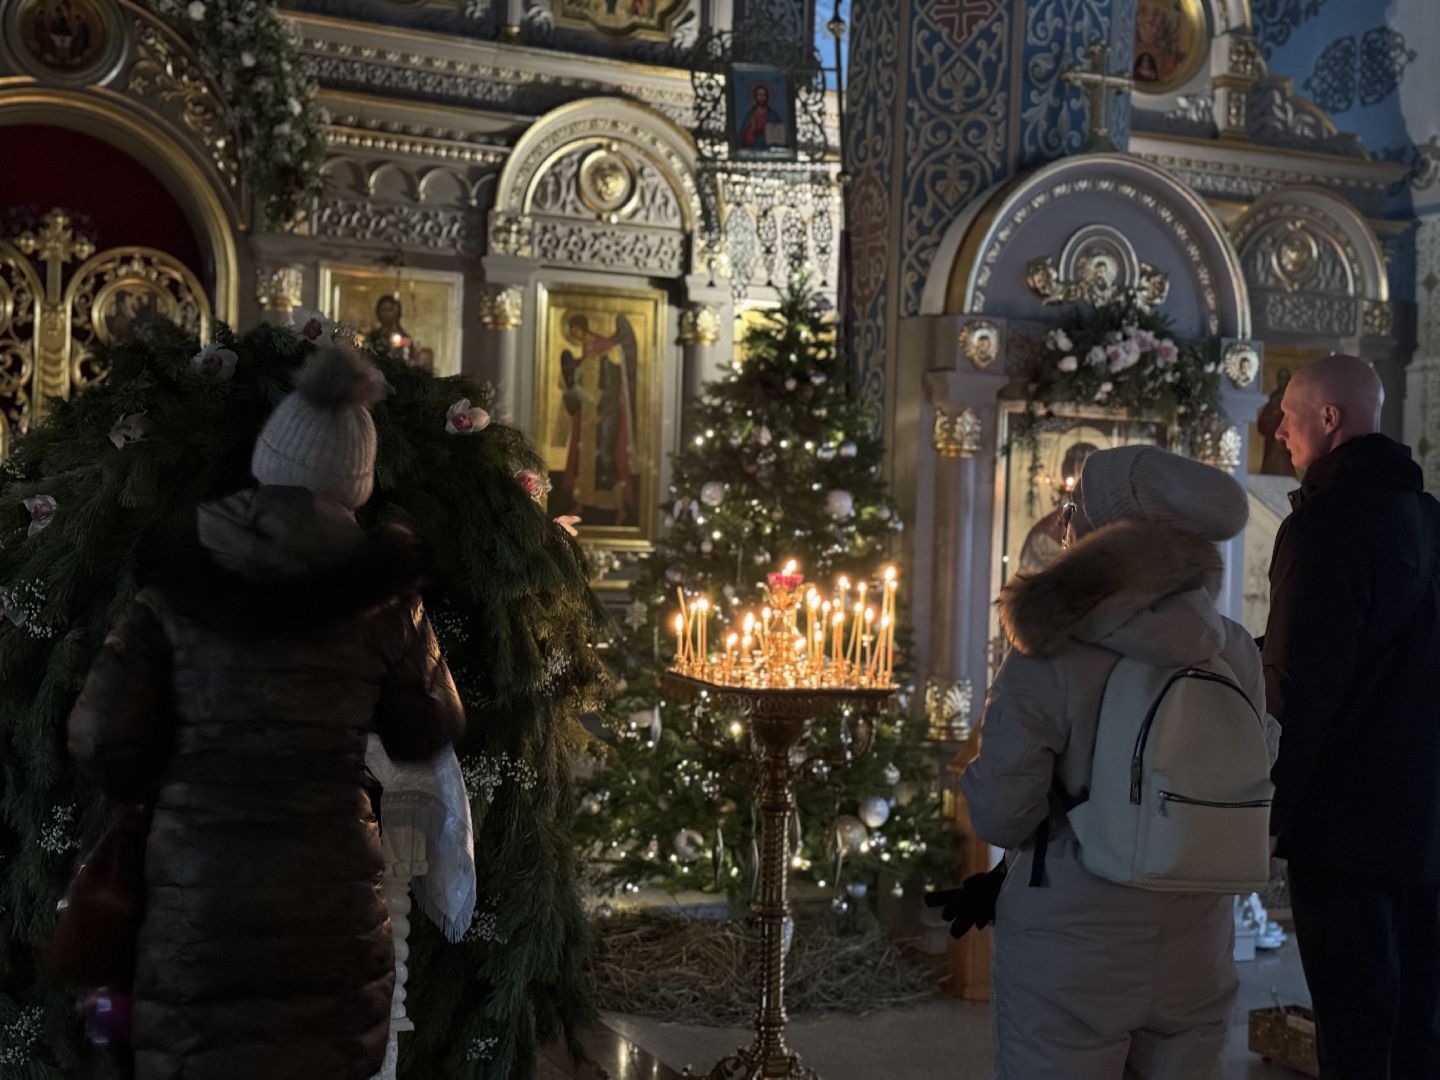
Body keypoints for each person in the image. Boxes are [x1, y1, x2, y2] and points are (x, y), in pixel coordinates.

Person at [67, 344, 466, 1080]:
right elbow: (427, 729)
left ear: (268, 460)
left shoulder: (180, 583)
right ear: (356, 482)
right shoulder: (384, 599)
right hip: (329, 907)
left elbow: (100, 739)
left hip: (199, 901)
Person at [961, 445, 1274, 1079]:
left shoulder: (1049, 655)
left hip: (1070, 947)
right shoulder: (1234, 650)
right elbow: (1254, 773)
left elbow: (1000, 812)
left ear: (1102, 536)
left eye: (1076, 506)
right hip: (1197, 944)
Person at [1264, 353, 1440, 1079]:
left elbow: (1304, 685)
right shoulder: (1430, 519)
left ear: (1329, 419)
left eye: (1289, 415)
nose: (1278, 431)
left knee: (1354, 1024)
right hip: (1427, 819)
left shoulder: (1324, 526)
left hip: (1345, 825)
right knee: (1420, 1024)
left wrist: (1268, 810)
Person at [1255, 367, 1295, 476]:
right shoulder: (1273, 399)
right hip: (1272, 444)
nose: (1282, 381)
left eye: (1285, 379)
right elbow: (1262, 424)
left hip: (1286, 446)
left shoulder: (1293, 400)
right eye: (1280, 378)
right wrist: (1273, 415)